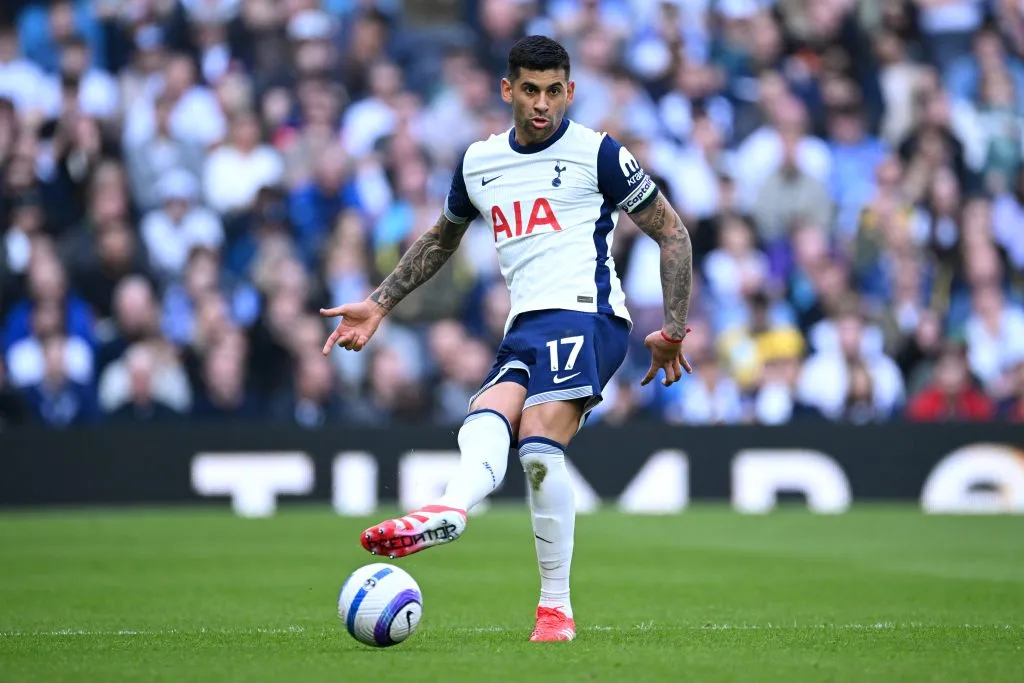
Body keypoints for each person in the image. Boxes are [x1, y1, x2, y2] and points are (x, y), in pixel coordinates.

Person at [319, 36, 694, 642]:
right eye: (529, 90)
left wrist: (673, 330)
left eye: (553, 91)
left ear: (569, 92)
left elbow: (673, 234)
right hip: (524, 326)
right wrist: (380, 303)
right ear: (507, 90)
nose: (542, 104)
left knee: (540, 445)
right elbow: (442, 238)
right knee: (486, 420)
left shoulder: (598, 153)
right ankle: (450, 510)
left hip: (588, 316)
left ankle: (555, 609)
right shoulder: (478, 162)